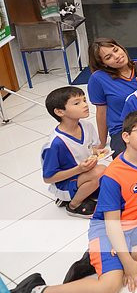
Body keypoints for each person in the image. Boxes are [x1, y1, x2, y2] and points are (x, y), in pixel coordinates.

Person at [12, 111, 137, 293]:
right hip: (109, 227)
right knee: (108, 288)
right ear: (126, 136)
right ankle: (36, 292)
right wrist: (127, 261)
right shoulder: (113, 175)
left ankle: (102, 257)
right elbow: (111, 223)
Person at [41, 86, 106, 217]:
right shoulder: (55, 143)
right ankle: (73, 205)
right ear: (60, 112)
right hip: (65, 181)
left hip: (83, 173)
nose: (85, 105)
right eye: (77, 103)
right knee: (100, 171)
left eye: (84, 100)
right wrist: (79, 169)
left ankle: (86, 191)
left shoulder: (87, 126)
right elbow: (48, 178)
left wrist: (96, 152)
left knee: (108, 175)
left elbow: (88, 147)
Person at [87, 38, 137, 157]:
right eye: (108, 57)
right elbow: (101, 112)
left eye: (116, 50)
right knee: (126, 159)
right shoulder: (98, 79)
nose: (117, 56)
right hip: (123, 128)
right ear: (103, 64)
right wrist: (101, 142)